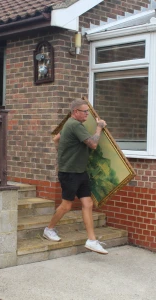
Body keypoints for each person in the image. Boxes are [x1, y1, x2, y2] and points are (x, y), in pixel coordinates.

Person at [43, 99, 108, 254]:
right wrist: (99, 128)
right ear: (75, 112)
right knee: (67, 205)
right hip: (69, 173)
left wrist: (61, 150)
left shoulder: (70, 125)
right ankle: (49, 229)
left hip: (79, 171)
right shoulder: (74, 125)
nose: (87, 114)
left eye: (87, 111)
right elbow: (93, 144)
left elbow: (56, 138)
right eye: (84, 111)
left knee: (88, 203)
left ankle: (92, 240)